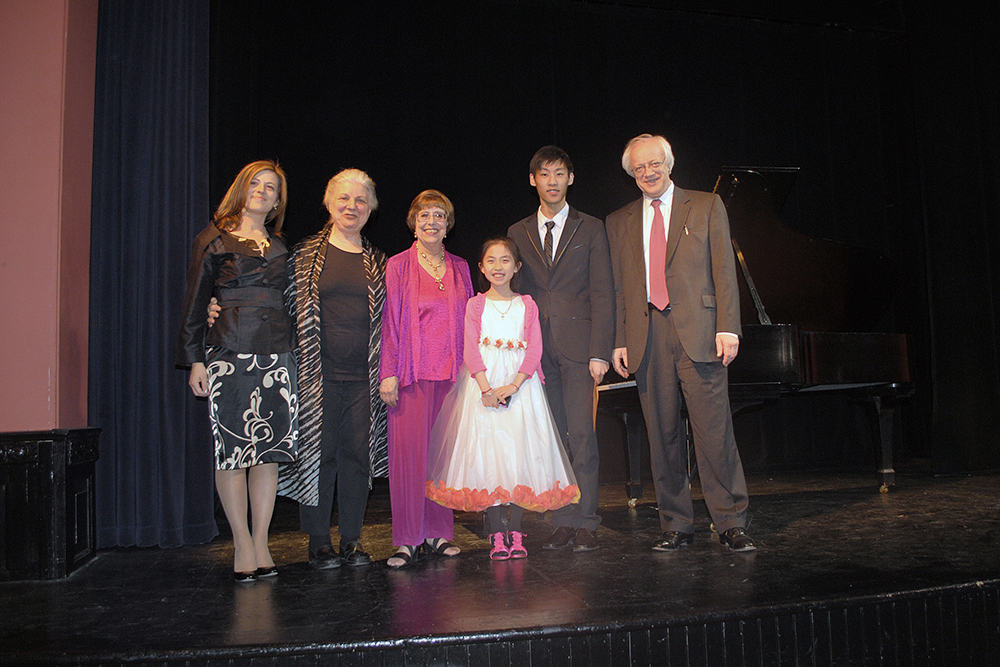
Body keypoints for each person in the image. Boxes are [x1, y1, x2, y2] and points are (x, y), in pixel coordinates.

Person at [605, 133, 755, 552]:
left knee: (714, 433)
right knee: (662, 435)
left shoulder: (706, 205)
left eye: (654, 164)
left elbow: (725, 270)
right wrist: (619, 340)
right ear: (631, 174)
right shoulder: (619, 221)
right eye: (639, 168)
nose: (648, 173)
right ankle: (676, 523)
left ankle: (730, 521)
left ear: (669, 164)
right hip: (646, 336)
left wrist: (729, 326)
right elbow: (619, 288)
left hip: (701, 334)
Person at [177, 160, 298, 582]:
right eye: (257, 184)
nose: (263, 191)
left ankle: (262, 540)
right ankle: (241, 543)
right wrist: (195, 357)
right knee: (233, 452)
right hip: (229, 353)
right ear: (242, 188)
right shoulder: (213, 238)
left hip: (278, 357)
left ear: (278, 200)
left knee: (267, 454)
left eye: (272, 188)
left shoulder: (282, 246)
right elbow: (195, 302)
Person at [426, 237, 580, 561]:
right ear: (481, 267)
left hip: (521, 389)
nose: (498, 267)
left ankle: (518, 532)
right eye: (491, 261)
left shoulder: (527, 304)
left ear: (517, 266)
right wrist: (486, 389)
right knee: (489, 457)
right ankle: (496, 533)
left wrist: (513, 385)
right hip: (483, 387)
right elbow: (470, 348)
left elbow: (535, 347)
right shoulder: (475, 304)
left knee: (518, 455)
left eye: (505, 260)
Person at [276, 168, 388, 568]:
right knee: (318, 456)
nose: (352, 206)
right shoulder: (303, 255)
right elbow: (278, 307)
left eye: (360, 200)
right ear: (329, 203)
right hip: (314, 376)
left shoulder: (379, 262)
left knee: (357, 458)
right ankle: (319, 540)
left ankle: (352, 539)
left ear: (371, 208)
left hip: (365, 379)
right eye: (344, 199)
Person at [507, 146, 614, 553]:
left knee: (582, 436)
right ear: (532, 180)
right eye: (543, 174)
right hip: (536, 353)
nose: (551, 181)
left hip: (580, 349)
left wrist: (600, 350)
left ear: (571, 178)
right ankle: (562, 518)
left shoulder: (592, 228)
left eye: (559, 174)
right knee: (550, 439)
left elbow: (604, 292)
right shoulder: (517, 232)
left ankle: (586, 519)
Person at [379, 190, 474, 568]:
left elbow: (470, 320)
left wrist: (475, 371)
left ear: (448, 225)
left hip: (451, 376)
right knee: (408, 460)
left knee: (442, 459)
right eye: (424, 216)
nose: (431, 222)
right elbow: (388, 323)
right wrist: (388, 372)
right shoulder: (398, 265)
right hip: (410, 375)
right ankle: (406, 539)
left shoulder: (461, 266)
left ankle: (438, 534)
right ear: (413, 223)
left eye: (439, 215)